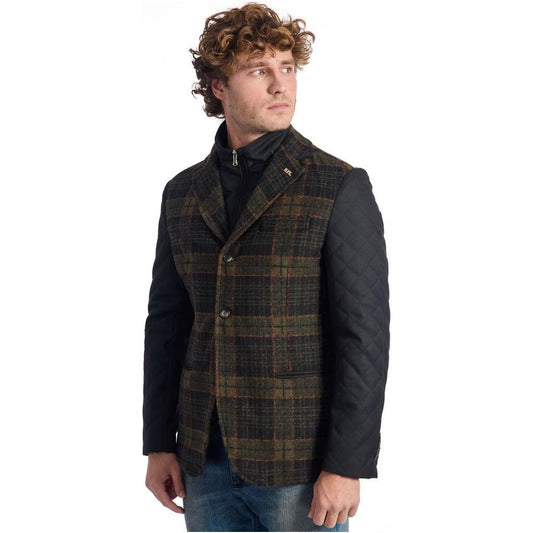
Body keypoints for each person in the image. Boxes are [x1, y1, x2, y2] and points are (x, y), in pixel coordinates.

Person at [142, 3, 390, 531]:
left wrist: (346, 464)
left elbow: (363, 337)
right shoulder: (182, 193)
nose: (281, 85)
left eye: (288, 67)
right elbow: (167, 325)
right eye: (259, 70)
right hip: (203, 461)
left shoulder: (337, 185)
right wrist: (159, 441)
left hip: (299, 464)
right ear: (218, 86)